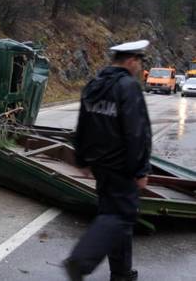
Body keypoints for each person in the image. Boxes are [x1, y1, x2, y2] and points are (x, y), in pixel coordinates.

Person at [64, 40, 152, 281]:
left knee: (115, 217)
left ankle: (122, 273)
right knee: (121, 216)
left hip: (100, 166)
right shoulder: (127, 86)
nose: (139, 67)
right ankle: (81, 260)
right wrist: (140, 170)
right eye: (139, 62)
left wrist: (82, 159)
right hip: (121, 167)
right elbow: (136, 132)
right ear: (132, 60)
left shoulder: (95, 84)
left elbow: (82, 125)